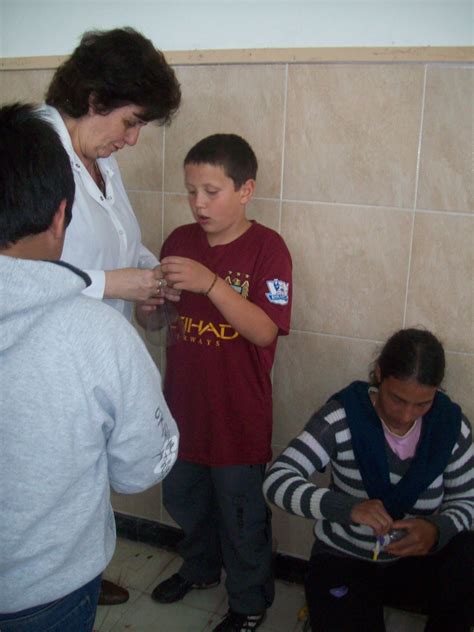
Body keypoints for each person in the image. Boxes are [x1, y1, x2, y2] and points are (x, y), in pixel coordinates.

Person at [0, 102, 179, 631]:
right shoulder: (95, 334)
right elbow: (141, 467)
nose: (131, 139)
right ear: (61, 215)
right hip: (44, 590)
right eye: (131, 122)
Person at [41, 26, 181, 603]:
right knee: (53, 486)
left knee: (88, 480)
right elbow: (16, 276)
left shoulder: (100, 158)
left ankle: (84, 571)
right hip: (48, 364)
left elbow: (124, 242)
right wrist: (113, 284)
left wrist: (156, 275)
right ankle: (55, 587)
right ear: (95, 98)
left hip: (98, 357)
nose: (134, 139)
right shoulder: (37, 158)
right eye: (131, 121)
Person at [137, 134, 293, 631]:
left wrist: (211, 284)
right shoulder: (178, 241)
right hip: (182, 411)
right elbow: (159, 324)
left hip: (238, 416)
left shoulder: (269, 248)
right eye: (190, 192)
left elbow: (266, 330)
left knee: (242, 517)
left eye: (211, 191)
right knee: (185, 500)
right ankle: (201, 569)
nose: (198, 204)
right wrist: (150, 311)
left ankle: (249, 602)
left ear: (245, 190)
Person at [263, 328, 474, 632]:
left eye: (422, 404)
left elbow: (466, 501)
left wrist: (436, 529)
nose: (406, 415)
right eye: (397, 399)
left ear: (437, 391)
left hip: (415, 560)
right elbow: (277, 480)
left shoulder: (451, 426)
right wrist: (347, 507)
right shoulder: (343, 416)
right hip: (346, 558)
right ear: (378, 375)